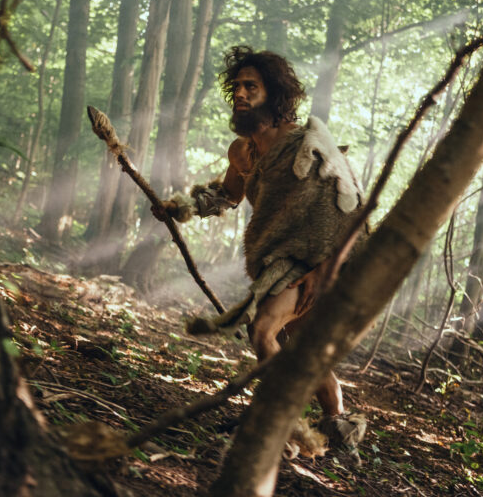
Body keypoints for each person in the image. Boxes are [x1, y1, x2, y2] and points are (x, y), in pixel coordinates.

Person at [154, 46, 366, 451]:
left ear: (275, 93)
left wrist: (325, 269)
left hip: (320, 262)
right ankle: (337, 425)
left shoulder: (307, 144)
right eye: (237, 87)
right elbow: (226, 196)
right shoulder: (242, 151)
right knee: (304, 350)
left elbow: (344, 207)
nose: (241, 94)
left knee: (264, 329)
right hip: (281, 260)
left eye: (251, 86)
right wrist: (180, 208)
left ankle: (275, 422)